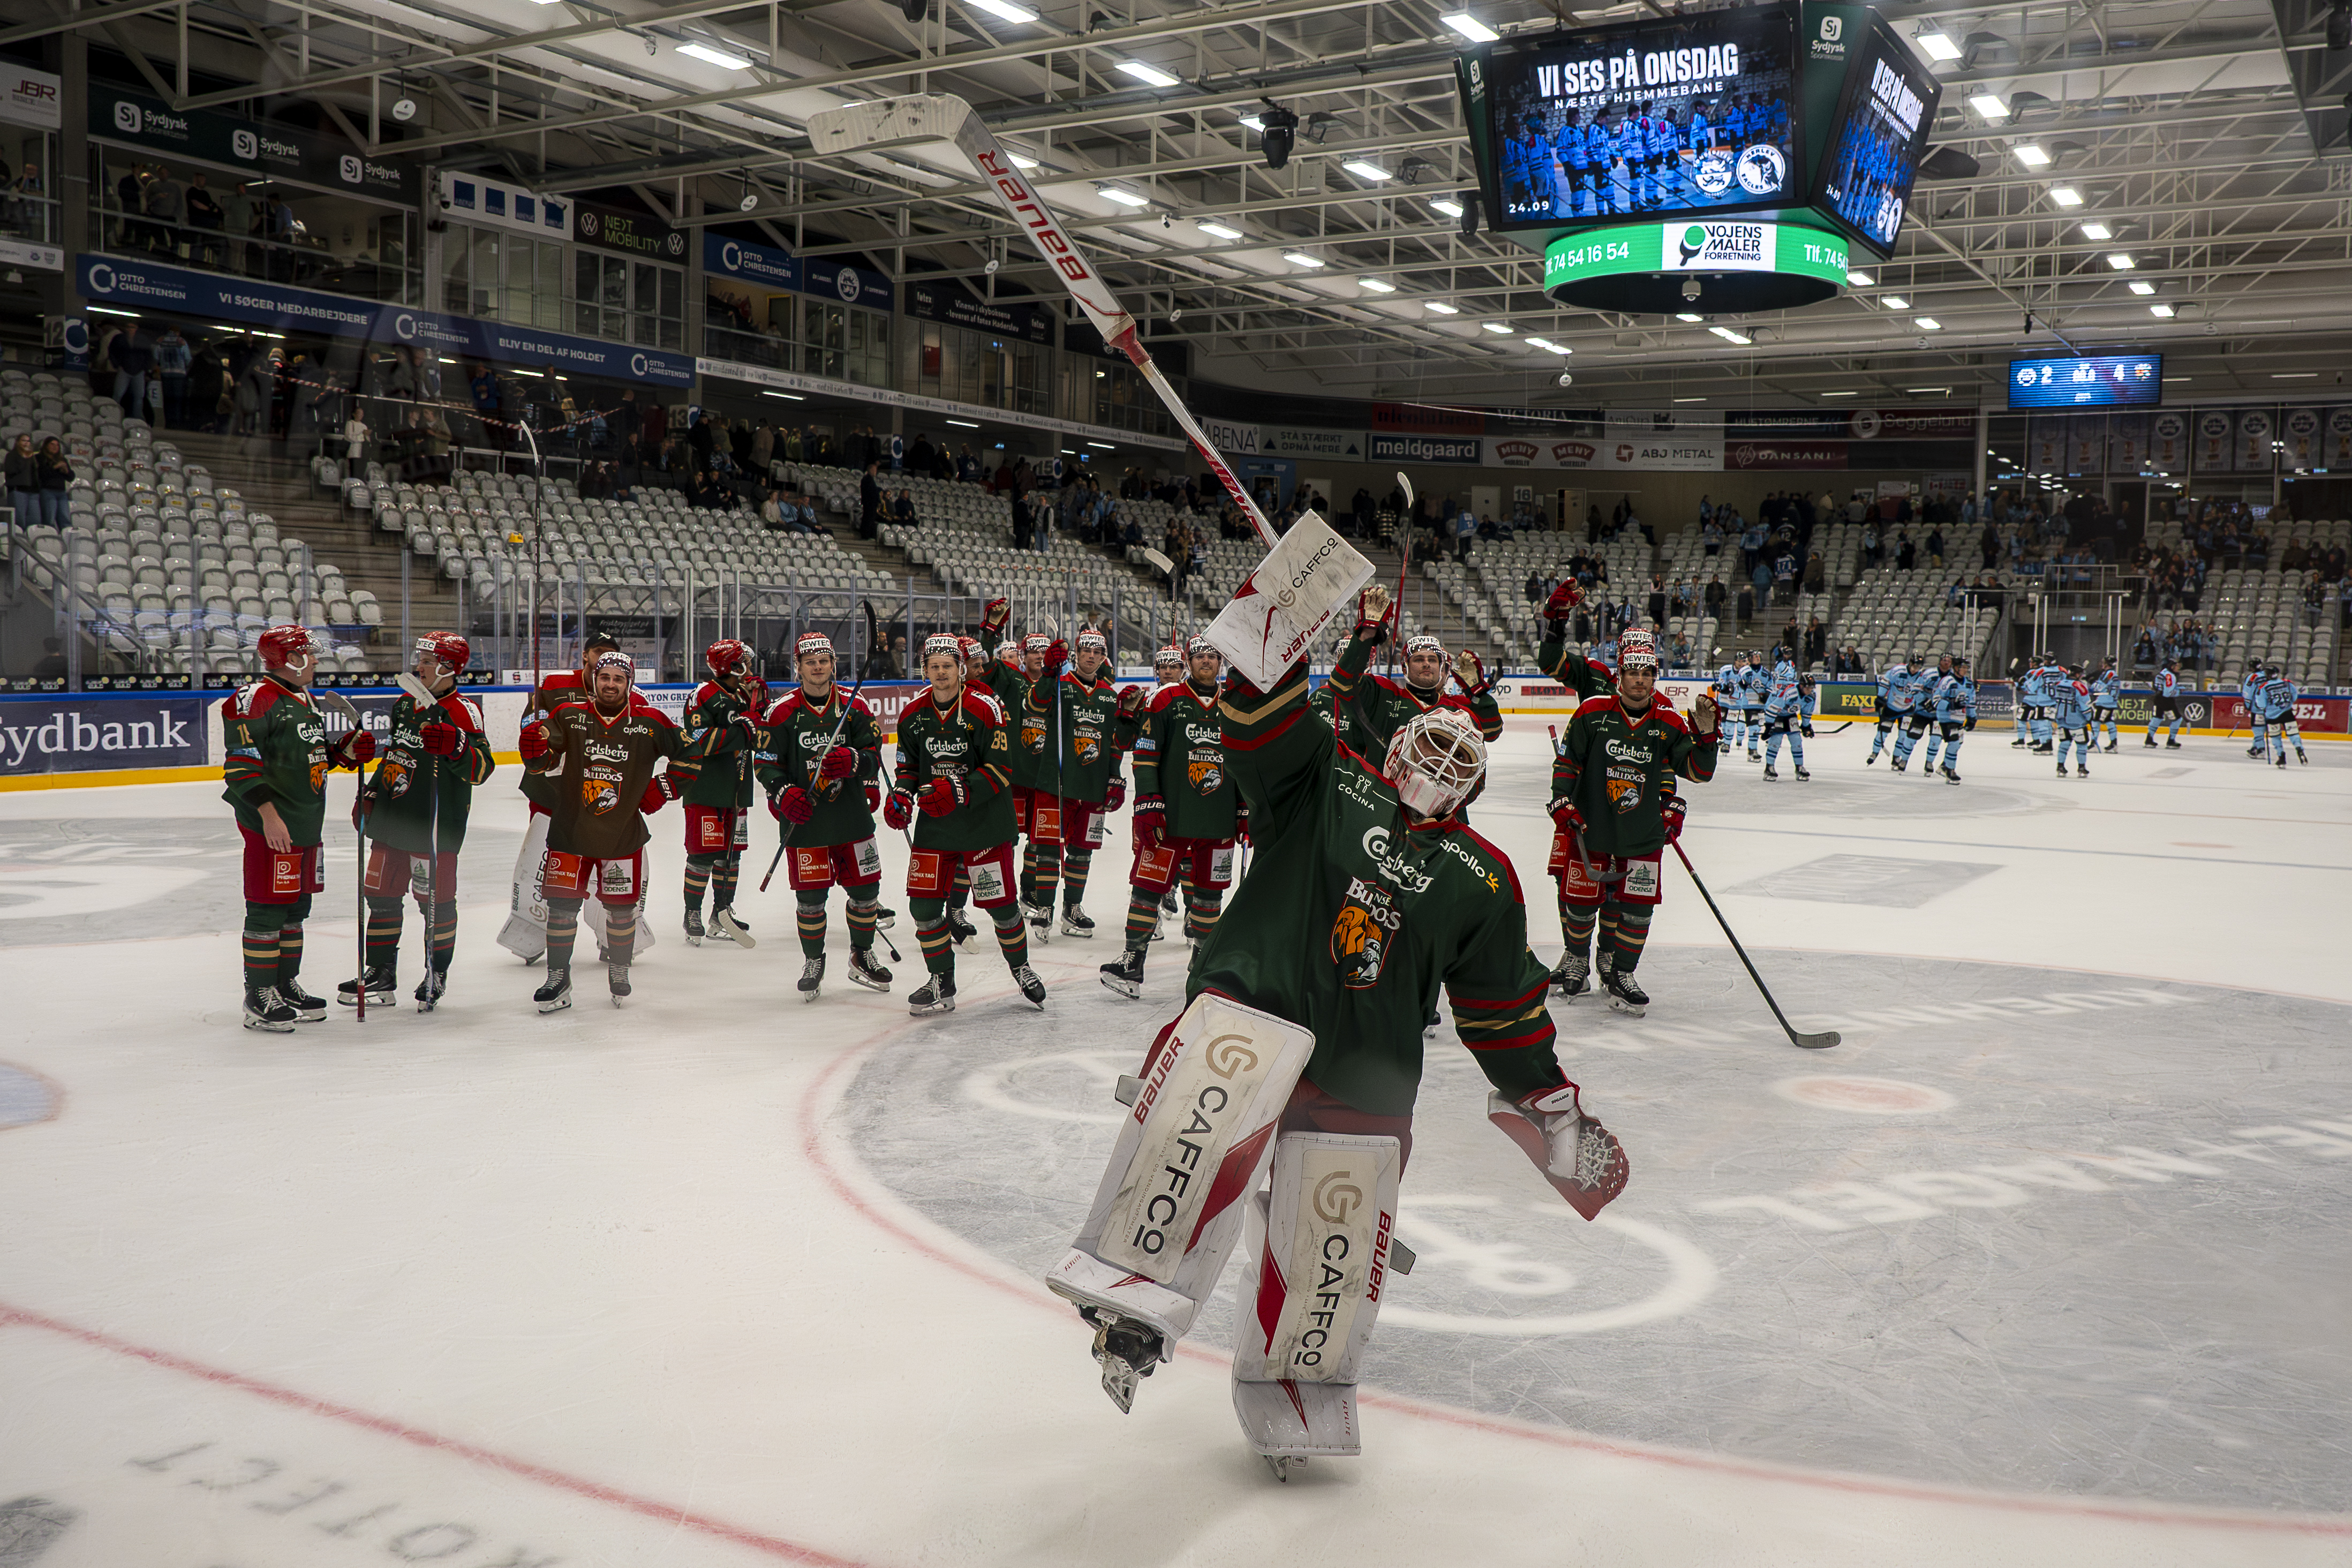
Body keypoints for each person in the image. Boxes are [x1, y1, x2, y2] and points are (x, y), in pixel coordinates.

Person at [1044, 634, 1629, 1477]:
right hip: (1257, 1001)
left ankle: (1296, 1377)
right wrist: (1277, 626)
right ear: (1393, 747)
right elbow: (1251, 722)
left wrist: (1545, 1099)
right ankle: (1136, 1289)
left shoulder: (1485, 876)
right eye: (1429, 741)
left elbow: (1500, 1010)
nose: (1441, 761)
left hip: (1369, 1064)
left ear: (1478, 783)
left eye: (1458, 754)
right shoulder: (1331, 777)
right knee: (1206, 1107)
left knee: (1338, 1229)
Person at [1547, 627, 1718, 1013]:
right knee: (1578, 901)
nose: (1639, 681)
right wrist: (1561, 799)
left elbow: (1696, 772)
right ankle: (1576, 960)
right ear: (1619, 677)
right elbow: (1569, 761)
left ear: (1654, 679)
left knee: (1638, 911)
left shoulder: (1670, 722)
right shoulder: (1592, 713)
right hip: (1592, 829)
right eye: (1632, 673)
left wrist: (1707, 739)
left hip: (1642, 834)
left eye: (1646, 674)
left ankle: (1622, 972)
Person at [221, 625, 376, 1031]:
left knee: (296, 909)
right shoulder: (254, 700)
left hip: (306, 822)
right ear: (289, 659)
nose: (317, 660)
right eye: (310, 653)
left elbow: (311, 755)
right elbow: (240, 767)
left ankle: (285, 984)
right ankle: (259, 994)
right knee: (268, 909)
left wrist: (344, 752)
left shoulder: (302, 697)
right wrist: (269, 817)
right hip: (273, 825)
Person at [517, 650, 691, 1010]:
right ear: (594, 679)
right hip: (570, 830)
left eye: (618, 678)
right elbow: (544, 761)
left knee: (622, 909)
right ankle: (557, 977)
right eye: (604, 677)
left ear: (629, 683)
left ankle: (620, 968)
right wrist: (533, 751)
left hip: (622, 832)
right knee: (561, 907)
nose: (610, 684)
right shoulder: (569, 716)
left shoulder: (652, 721)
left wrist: (666, 788)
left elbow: (691, 754)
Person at [887, 632, 1046, 1014]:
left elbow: (1001, 769)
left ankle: (1021, 968)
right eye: (933, 666)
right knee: (924, 909)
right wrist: (902, 795)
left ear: (960, 668)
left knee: (1003, 908)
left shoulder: (985, 708)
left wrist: (958, 788)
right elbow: (908, 767)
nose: (940, 673)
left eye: (947, 666)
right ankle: (942, 979)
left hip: (984, 826)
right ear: (924, 670)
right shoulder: (912, 714)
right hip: (936, 827)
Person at [341, 633, 495, 1011]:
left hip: (435, 826)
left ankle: (436, 971)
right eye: (420, 658)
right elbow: (396, 754)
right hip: (394, 817)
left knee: (436, 904)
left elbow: (483, 769)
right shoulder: (407, 704)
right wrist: (373, 793)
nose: (419, 666)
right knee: (380, 895)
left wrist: (457, 745)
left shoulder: (464, 711)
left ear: (448, 667)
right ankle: (380, 972)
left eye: (427, 660)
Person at [497, 635, 657, 964]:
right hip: (552, 796)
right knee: (547, 864)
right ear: (585, 655)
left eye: (612, 656)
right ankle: (532, 930)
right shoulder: (554, 684)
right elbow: (531, 727)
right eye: (599, 653)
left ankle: (612, 934)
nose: (605, 661)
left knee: (611, 869)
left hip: (603, 802)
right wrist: (537, 735)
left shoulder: (628, 695)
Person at [1099, 635, 1239, 999]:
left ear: (1221, 662)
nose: (1206, 662)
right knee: (1147, 886)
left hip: (1218, 816)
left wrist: (1243, 808)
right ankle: (1133, 960)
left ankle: (1203, 963)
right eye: (1199, 656)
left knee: (1210, 894)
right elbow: (1145, 754)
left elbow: (1245, 762)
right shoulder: (1165, 699)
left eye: (1213, 656)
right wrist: (1148, 799)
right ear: (1188, 661)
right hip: (1171, 816)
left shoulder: (1235, 705)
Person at [757, 631, 893, 999]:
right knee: (811, 899)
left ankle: (862, 955)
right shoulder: (781, 711)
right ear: (798, 667)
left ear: (833, 664)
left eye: (824, 661)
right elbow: (766, 764)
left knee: (867, 893)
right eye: (810, 662)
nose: (818, 667)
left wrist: (855, 761)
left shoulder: (855, 705)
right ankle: (814, 960)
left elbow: (874, 753)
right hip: (807, 822)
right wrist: (783, 793)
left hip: (852, 819)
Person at [1022, 628, 1128, 940]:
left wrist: (1115, 778)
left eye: (1098, 652)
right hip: (1055, 784)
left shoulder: (1110, 696)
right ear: (1076, 654)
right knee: (1048, 850)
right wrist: (1047, 674)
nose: (1092, 656)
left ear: (1104, 657)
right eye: (1086, 651)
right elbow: (1033, 706)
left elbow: (1114, 743)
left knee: (1082, 852)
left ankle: (1073, 908)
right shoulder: (1059, 685)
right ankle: (1045, 908)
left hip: (1093, 787)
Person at [677, 638, 770, 948]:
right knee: (703, 855)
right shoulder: (702, 695)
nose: (750, 666)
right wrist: (741, 731)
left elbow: (760, 736)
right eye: (744, 659)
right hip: (706, 788)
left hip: (738, 788)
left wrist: (761, 713)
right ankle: (692, 913)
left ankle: (721, 912)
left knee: (731, 857)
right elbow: (698, 739)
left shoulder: (744, 694)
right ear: (729, 664)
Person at [1757, 648, 1815, 782]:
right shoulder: (1791, 692)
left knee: (1797, 741)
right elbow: (1772, 708)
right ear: (1801, 686)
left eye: (1811, 688)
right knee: (1775, 742)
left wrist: (1806, 727)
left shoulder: (1810, 697)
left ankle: (1799, 767)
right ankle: (1769, 768)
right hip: (1776, 715)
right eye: (1808, 688)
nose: (1810, 690)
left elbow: (1806, 713)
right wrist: (1768, 727)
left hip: (1790, 716)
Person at [1917, 654, 1976, 783]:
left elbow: (1971, 702)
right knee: (1954, 742)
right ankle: (1950, 770)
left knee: (1958, 743)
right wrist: (1951, 705)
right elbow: (1936, 700)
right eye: (1962, 667)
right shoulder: (1947, 681)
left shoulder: (1969, 684)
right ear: (1955, 668)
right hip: (1946, 718)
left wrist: (1972, 717)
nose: (1965, 670)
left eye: (1966, 667)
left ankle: (1944, 766)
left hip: (1960, 719)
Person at [1889, 653, 1948, 772]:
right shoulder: (1929, 674)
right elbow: (1915, 689)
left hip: (1939, 715)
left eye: (1949, 661)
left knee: (1936, 740)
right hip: (1922, 713)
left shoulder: (1952, 678)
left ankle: (1929, 763)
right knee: (1911, 738)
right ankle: (1904, 760)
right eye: (1945, 660)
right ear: (1940, 661)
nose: (1947, 663)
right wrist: (1925, 702)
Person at [1864, 651, 1914, 767]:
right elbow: (1886, 682)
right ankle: (1874, 753)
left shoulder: (1921, 676)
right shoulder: (1898, 671)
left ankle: (1897, 757)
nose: (1915, 669)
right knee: (1883, 732)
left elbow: (1922, 691)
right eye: (1914, 665)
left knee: (1903, 735)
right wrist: (1880, 697)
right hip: (1891, 708)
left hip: (1907, 710)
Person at [2048, 663, 2094, 779]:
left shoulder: (2058, 684)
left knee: (2064, 744)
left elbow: (2052, 698)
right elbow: (2085, 706)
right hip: (2077, 721)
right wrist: (2090, 718)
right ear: (2078, 674)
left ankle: (2060, 766)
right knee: (2082, 745)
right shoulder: (2080, 686)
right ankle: (2082, 768)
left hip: (2061, 720)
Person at [2257, 665, 2308, 766]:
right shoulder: (2287, 683)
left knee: (2276, 736)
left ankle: (2281, 757)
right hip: (2287, 713)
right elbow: (2294, 697)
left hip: (2272, 716)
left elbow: (2261, 705)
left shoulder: (2264, 687)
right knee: (2293, 733)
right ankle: (2299, 749)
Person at [2145, 659, 2187, 750]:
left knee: (2157, 718)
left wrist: (2176, 688)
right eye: (2176, 666)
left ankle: (2149, 740)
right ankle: (2171, 741)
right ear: (2172, 666)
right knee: (2177, 719)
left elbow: (2158, 687)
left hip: (2158, 699)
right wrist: (2179, 691)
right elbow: (2167, 693)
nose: (2178, 668)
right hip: (2167, 701)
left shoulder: (2163, 672)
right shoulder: (2170, 676)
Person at [2089, 656, 2123, 751]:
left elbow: (2101, 686)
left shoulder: (2110, 674)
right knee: (2108, 721)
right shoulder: (2109, 673)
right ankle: (2113, 744)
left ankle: (2094, 744)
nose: (2102, 664)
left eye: (2104, 662)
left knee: (2096, 721)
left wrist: (2092, 682)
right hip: (2109, 701)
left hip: (2105, 701)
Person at [5, 433, 38, 523]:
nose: (26, 443)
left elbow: (35, 473)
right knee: (19, 520)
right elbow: (12, 470)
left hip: (33, 492)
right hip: (18, 490)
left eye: (28, 441)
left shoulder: (31, 457)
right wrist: (24, 458)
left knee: (35, 519)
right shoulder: (11, 455)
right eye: (24, 440)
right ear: (17, 442)